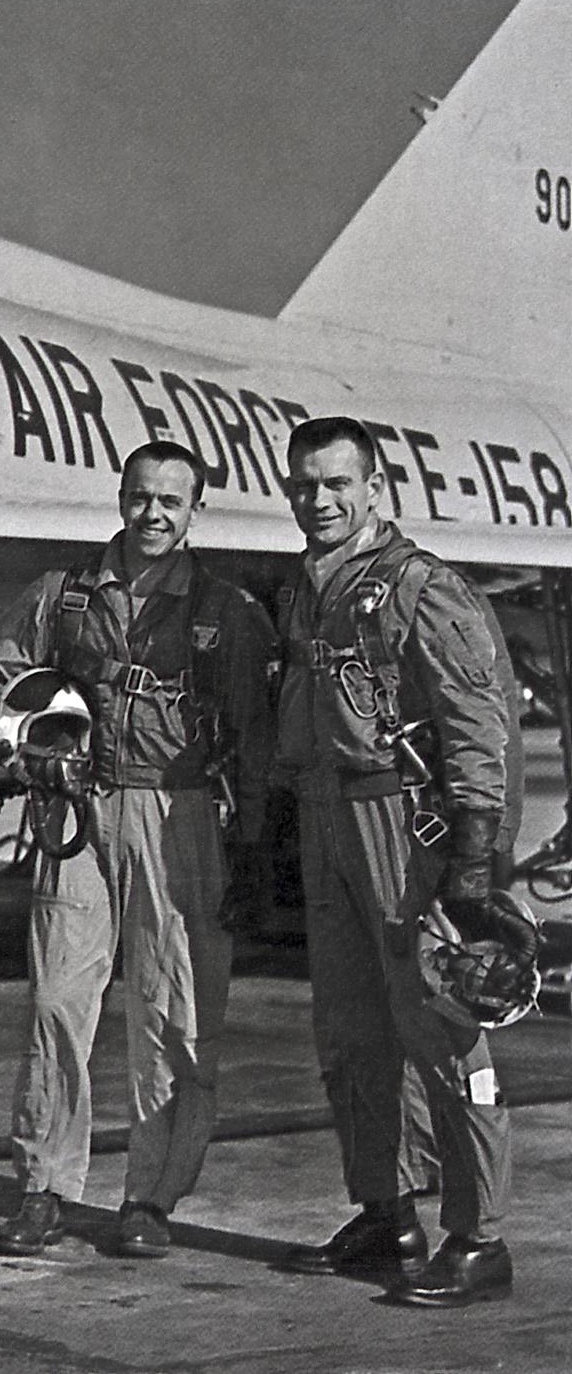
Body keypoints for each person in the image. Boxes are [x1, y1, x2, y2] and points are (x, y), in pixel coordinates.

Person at [0, 441, 277, 1258]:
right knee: (59, 1001)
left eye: (171, 501)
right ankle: (42, 1186)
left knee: (173, 1012)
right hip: (79, 809)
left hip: (182, 814)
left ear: (196, 509)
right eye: (140, 497)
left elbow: (258, 737)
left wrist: (257, 850)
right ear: (120, 499)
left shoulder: (226, 613)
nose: (153, 515)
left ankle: (151, 1198)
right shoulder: (64, 598)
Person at [272, 417, 522, 1308]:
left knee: (444, 1029)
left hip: (404, 826)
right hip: (328, 817)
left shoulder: (423, 587)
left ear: (376, 487)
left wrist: (474, 862)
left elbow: (477, 725)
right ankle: (388, 1212)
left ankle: (478, 1235)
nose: (320, 500)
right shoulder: (310, 588)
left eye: (338, 484)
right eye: (304, 484)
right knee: (350, 1034)